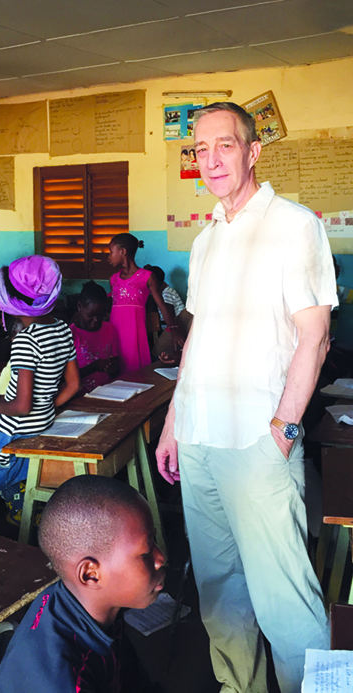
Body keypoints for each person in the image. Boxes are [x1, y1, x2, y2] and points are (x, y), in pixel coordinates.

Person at [156, 102, 338, 693]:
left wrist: (284, 428)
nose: (210, 160)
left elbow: (315, 335)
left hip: (260, 442)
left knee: (289, 602)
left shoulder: (294, 224)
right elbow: (196, 342)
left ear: (253, 151)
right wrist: (171, 424)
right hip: (201, 439)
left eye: (224, 146)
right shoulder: (205, 241)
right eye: (200, 150)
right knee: (219, 597)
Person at [0, 474, 166, 693]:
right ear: (91, 575)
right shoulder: (64, 682)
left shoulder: (81, 602)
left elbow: (132, 679)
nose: (161, 559)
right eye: (147, 551)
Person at [0, 255, 81, 534]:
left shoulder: (26, 339)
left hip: (9, 432)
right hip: (39, 429)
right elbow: (72, 386)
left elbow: (21, 406)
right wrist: (45, 407)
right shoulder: (63, 330)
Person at [108, 234, 183, 374]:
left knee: (135, 370)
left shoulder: (146, 277)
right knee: (116, 367)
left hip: (134, 331)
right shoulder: (113, 279)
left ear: (122, 252)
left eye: (111, 252)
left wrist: (174, 329)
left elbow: (161, 305)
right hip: (115, 332)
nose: (109, 256)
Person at [70, 281, 119, 394]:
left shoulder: (109, 329)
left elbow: (115, 359)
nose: (96, 319)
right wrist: (94, 367)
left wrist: (113, 366)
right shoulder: (71, 334)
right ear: (79, 306)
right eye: (91, 315)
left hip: (108, 392)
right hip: (80, 396)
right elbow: (66, 377)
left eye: (101, 314)